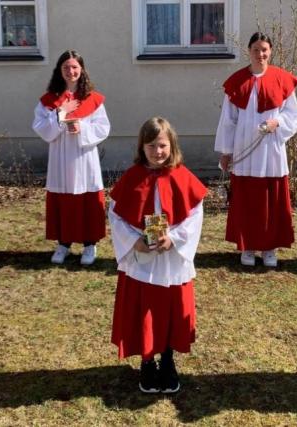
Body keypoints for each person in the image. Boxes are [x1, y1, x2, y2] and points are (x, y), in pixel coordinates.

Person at [109, 117, 207, 394]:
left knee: (170, 308)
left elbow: (194, 214)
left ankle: (167, 360)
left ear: (171, 145)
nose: (157, 151)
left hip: (171, 258)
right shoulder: (132, 177)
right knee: (145, 310)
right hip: (142, 256)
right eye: (151, 145)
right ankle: (147, 361)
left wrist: (174, 239)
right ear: (142, 147)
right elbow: (115, 215)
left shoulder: (182, 176)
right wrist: (134, 240)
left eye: (162, 145)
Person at [214, 32, 297, 267]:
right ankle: (248, 247)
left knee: (271, 200)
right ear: (249, 51)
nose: (260, 54)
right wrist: (226, 151)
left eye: (264, 50)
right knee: (247, 201)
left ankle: (269, 248)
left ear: (270, 51)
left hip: (271, 150)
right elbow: (228, 120)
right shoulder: (236, 81)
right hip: (244, 150)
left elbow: (293, 115)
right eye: (255, 49)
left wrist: (278, 122)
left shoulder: (282, 79)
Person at [33, 50, 111, 265]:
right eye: (66, 67)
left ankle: (89, 244)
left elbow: (103, 127)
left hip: (84, 157)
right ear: (60, 70)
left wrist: (82, 128)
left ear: (82, 70)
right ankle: (63, 243)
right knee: (63, 198)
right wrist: (61, 113)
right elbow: (42, 128)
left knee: (87, 197)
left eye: (75, 67)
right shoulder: (50, 100)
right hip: (60, 157)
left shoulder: (93, 99)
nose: (71, 71)